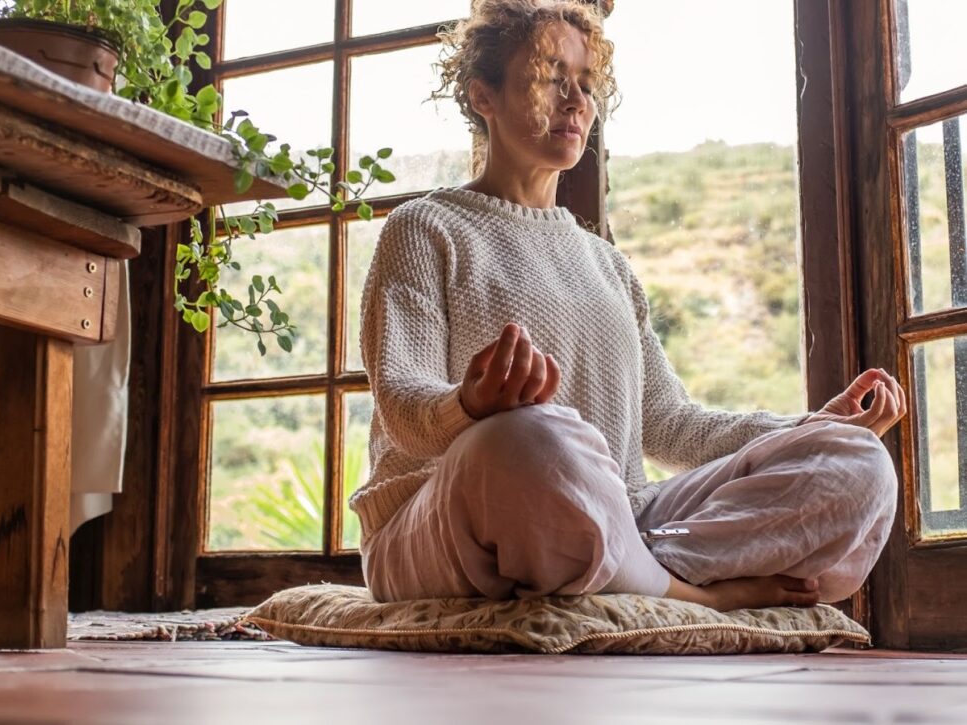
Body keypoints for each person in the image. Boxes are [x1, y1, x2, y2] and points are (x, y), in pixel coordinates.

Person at [352, 0, 905, 612]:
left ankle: (625, 569)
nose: (575, 101)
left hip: (605, 519)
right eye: (548, 77)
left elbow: (671, 423)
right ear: (483, 96)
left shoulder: (606, 263)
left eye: (585, 84)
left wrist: (810, 426)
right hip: (442, 526)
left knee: (856, 461)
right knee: (523, 438)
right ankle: (691, 593)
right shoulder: (426, 228)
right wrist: (469, 406)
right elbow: (401, 404)